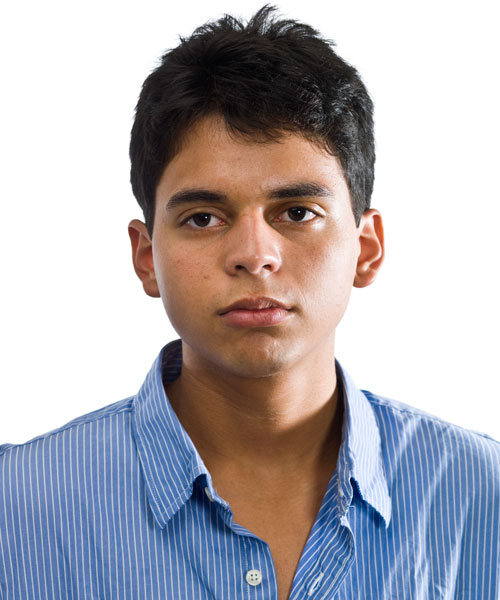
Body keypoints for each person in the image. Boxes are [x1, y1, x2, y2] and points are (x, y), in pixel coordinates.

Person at [1, 5, 499, 599]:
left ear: (366, 249)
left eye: (296, 213)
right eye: (204, 217)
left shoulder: (481, 495)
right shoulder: (17, 506)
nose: (254, 254)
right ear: (145, 255)